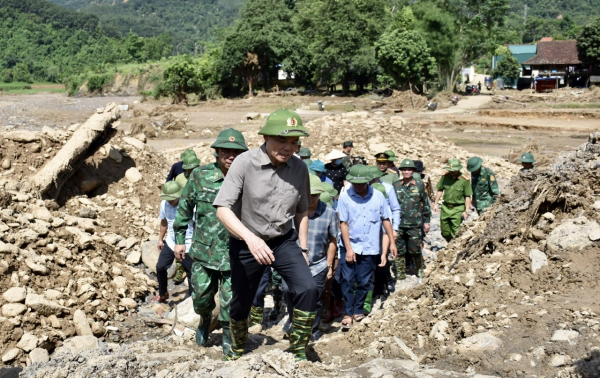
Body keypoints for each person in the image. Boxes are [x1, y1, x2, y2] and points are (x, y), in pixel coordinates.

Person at [213, 108, 318, 361]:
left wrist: (303, 249)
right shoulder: (244, 163)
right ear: (265, 138)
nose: (288, 148)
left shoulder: (299, 168)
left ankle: (298, 353)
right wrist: (250, 238)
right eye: (282, 140)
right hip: (246, 243)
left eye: (293, 142)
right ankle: (236, 349)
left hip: (283, 241)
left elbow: (302, 211)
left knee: (308, 288)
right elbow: (223, 209)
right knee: (241, 303)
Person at [173, 128, 248, 355]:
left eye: (236, 152)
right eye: (226, 150)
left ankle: (227, 335)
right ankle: (205, 319)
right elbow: (185, 207)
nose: (231, 156)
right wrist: (179, 240)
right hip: (204, 252)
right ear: (217, 152)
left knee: (229, 302)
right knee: (201, 298)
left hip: (234, 253)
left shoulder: (249, 178)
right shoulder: (200, 176)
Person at [337, 164, 397, 330]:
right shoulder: (345, 197)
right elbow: (343, 223)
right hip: (350, 245)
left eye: (362, 184)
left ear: (368, 181)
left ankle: (358, 309)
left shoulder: (378, 196)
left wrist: (392, 242)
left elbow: (386, 219)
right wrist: (348, 248)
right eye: (355, 184)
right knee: (347, 280)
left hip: (370, 246)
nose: (359, 187)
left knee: (364, 281)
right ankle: (347, 313)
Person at [282, 175, 339, 341]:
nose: (311, 199)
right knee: (288, 291)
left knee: (314, 297)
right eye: (307, 195)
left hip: (318, 264)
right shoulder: (292, 211)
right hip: (293, 263)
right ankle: (294, 319)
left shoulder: (329, 213)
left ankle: (312, 330)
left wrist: (329, 265)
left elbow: (333, 240)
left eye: (314, 195)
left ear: (319, 195)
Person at [154, 181, 194, 303]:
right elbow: (164, 222)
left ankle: (192, 299)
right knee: (160, 267)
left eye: (171, 199)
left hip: (188, 244)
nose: (169, 201)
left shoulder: (189, 205)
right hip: (171, 242)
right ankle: (163, 293)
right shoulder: (164, 204)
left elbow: (198, 225)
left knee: (192, 272)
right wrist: (160, 239)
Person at [393, 159, 431, 279]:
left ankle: (419, 268)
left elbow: (425, 204)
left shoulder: (420, 186)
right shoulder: (396, 186)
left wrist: (427, 221)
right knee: (399, 250)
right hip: (399, 224)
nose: (407, 172)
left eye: (409, 169)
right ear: (401, 172)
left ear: (413, 171)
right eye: (404, 170)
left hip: (414, 224)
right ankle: (400, 272)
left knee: (415, 249)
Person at [433, 159, 472, 242]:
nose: (451, 172)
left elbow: (467, 196)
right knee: (445, 232)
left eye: (453, 171)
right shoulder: (445, 177)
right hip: (445, 208)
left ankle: (454, 248)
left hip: (458, 209)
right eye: (449, 170)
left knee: (456, 231)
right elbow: (440, 190)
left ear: (458, 170)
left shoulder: (464, 180)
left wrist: (466, 211)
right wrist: (435, 204)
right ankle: (450, 243)